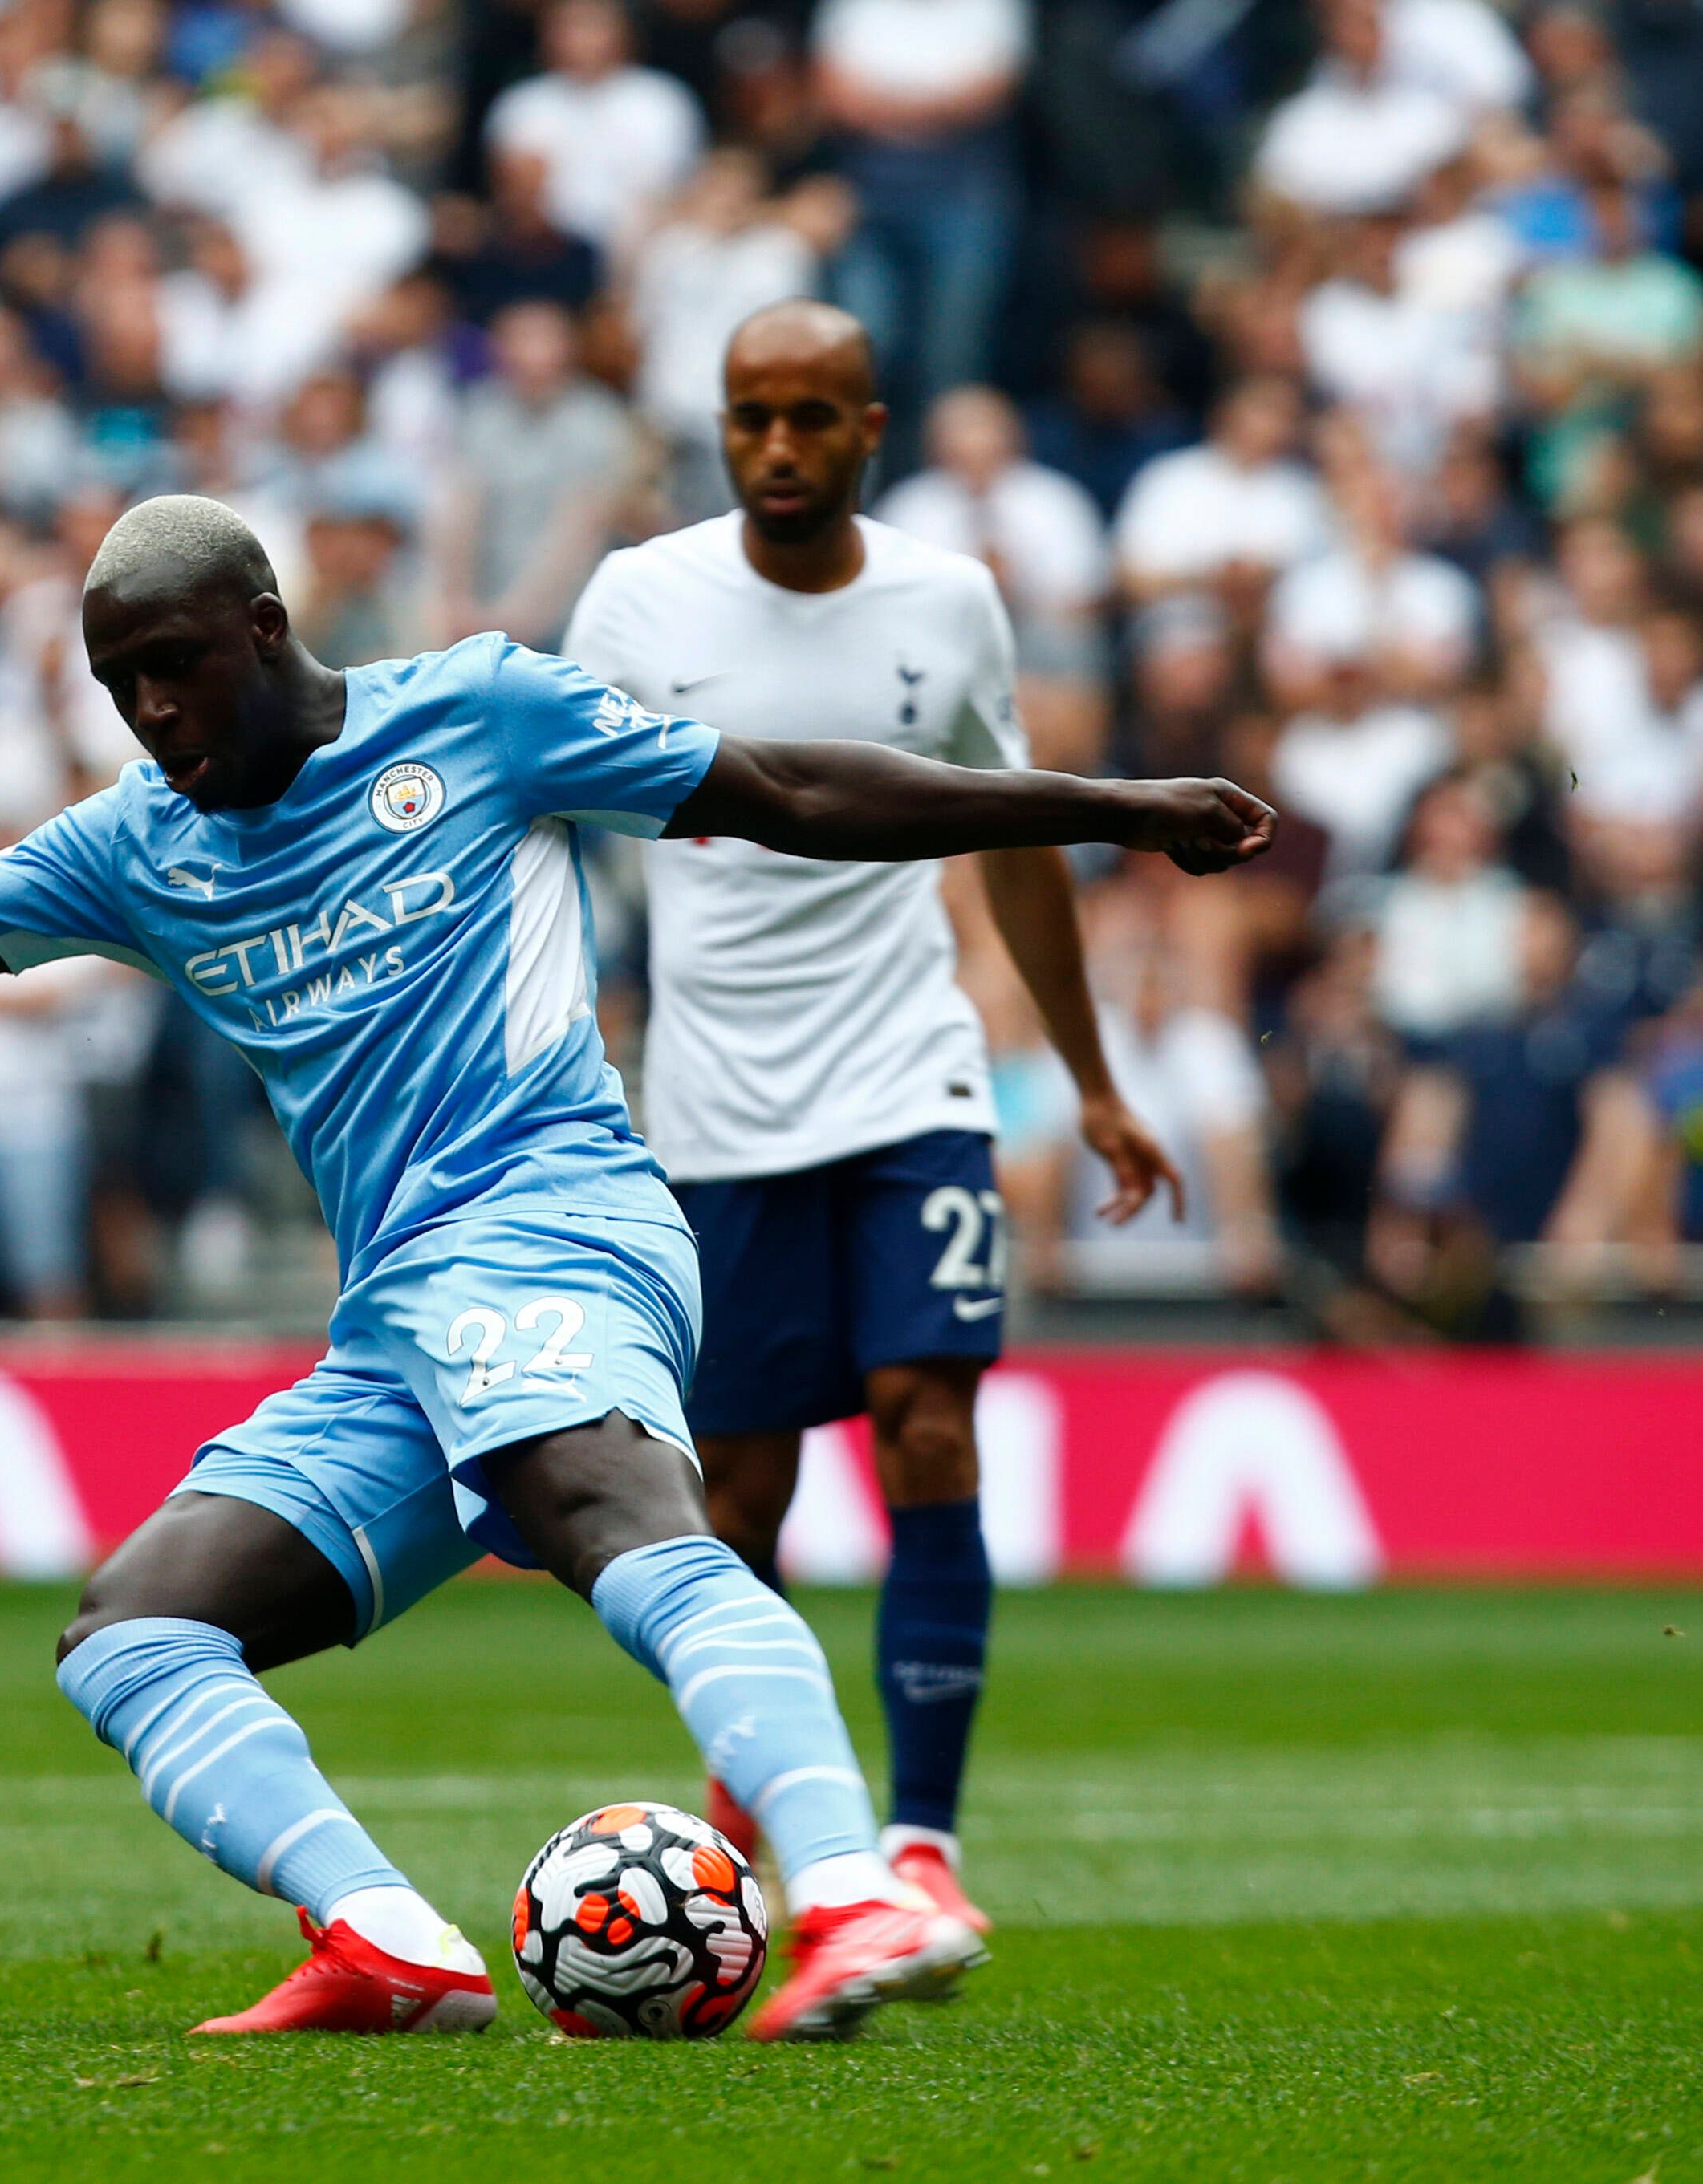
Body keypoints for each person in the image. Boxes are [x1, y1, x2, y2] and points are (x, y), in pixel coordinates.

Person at [0, 492, 1272, 2041]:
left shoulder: (481, 713)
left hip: (557, 1223)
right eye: (121, 689)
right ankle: (383, 1935)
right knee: (136, 1628)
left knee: (609, 1509)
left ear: (265, 627)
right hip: (402, 1316)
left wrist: (1105, 807)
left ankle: (852, 1890)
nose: (157, 717)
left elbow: (791, 788)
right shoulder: (139, 845)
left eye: (176, 669)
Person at [564, 301, 1186, 1937]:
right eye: (748, 416)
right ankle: (745, 1822)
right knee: (742, 1496)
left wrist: (1096, 1080)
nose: (777, 447)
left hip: (910, 1074)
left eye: (809, 418)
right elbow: (534, 826)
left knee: (927, 1417)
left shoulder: (949, 600)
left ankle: (920, 1839)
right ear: (722, 428)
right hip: (712, 1108)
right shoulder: (636, 603)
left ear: (869, 428)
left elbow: (1013, 834)